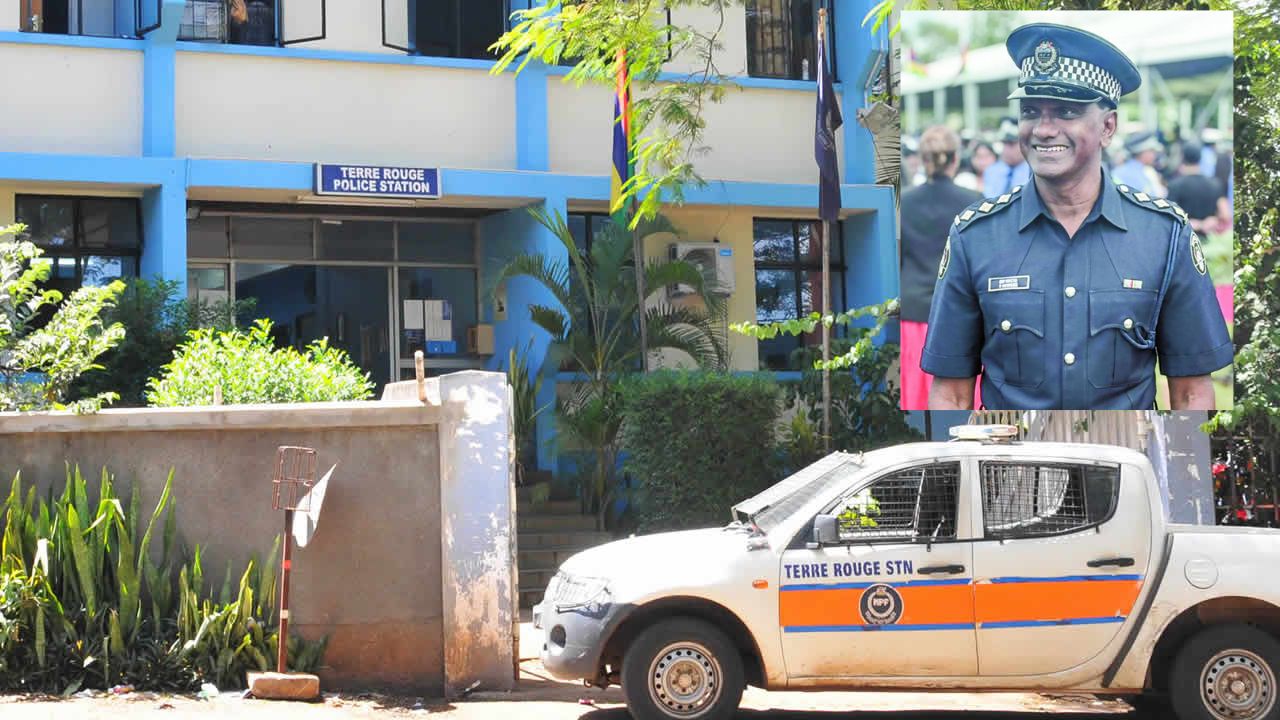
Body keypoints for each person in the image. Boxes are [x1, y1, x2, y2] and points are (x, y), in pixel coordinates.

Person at [921, 22, 1232, 410]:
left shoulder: (1165, 236)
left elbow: (1191, 393)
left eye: (1066, 111)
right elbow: (950, 393)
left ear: (1107, 126)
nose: (1044, 129)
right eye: (1031, 110)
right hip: (1010, 465)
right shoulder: (976, 236)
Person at [899, 126, 983, 410]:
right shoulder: (975, 202)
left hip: (913, 316)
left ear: (923, 159)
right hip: (960, 316)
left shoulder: (904, 203)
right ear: (956, 158)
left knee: (916, 401)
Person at [1166, 142, 1230, 235]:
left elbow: (1169, 216)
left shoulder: (1174, 185)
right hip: (1209, 239)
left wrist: (1196, 224)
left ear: (1183, 157)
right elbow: (1225, 215)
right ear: (1200, 158)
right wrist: (1210, 222)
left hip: (1184, 238)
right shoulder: (1215, 184)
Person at [982, 118, 1031, 197]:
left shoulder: (1033, 172)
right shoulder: (992, 171)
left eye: (1011, 144)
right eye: (1004, 143)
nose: (1006, 149)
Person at [1112, 131, 1166, 198]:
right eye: (1152, 151)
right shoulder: (1146, 173)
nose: (1154, 155)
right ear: (1143, 152)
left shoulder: (1118, 172)